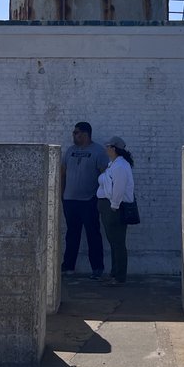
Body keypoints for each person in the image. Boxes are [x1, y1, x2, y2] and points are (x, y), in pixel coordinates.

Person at [60, 121, 107, 279]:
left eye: (76, 132)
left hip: (89, 201)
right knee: (72, 234)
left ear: (85, 134)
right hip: (70, 200)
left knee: (93, 234)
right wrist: (62, 194)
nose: (74, 135)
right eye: (74, 133)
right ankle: (68, 267)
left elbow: (105, 176)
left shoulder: (98, 151)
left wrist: (99, 198)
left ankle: (97, 268)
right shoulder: (70, 151)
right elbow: (63, 173)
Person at [97, 136, 135, 285]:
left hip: (115, 207)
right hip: (109, 206)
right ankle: (114, 273)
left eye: (108, 146)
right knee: (113, 242)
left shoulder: (120, 166)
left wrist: (114, 206)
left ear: (114, 148)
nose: (106, 148)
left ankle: (119, 276)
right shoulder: (114, 164)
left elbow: (118, 187)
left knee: (118, 242)